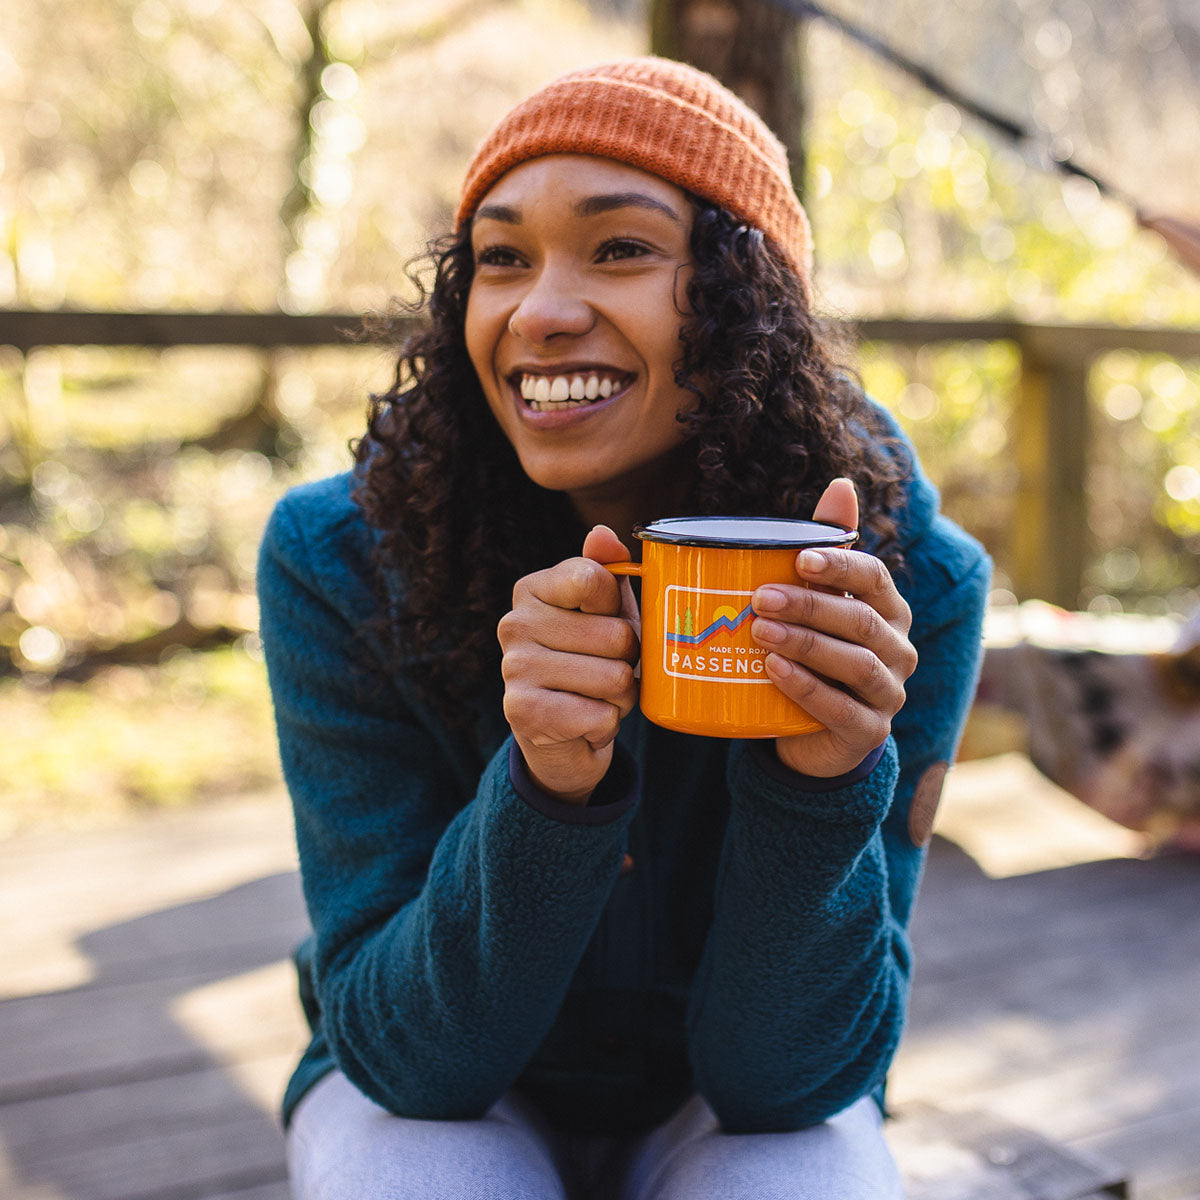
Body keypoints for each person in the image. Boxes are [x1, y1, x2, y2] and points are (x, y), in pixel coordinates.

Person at [258, 57, 991, 1200]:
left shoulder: (903, 584)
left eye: (621, 248)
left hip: (730, 1102)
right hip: (430, 1082)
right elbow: (412, 1063)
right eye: (501, 258)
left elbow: (783, 1087)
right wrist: (545, 793)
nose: (541, 312)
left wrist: (823, 780)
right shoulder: (342, 563)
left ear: (750, 306)